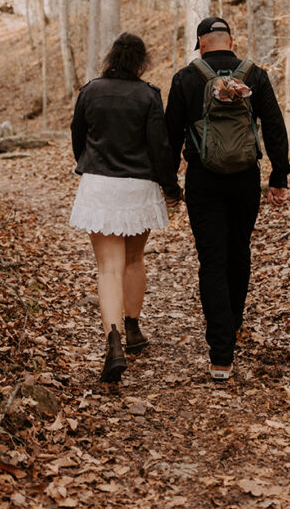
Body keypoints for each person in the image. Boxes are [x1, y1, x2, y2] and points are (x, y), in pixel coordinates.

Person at [165, 16, 290, 379]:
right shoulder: (255, 75)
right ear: (230, 40)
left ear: (201, 43)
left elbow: (170, 135)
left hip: (204, 179)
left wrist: (170, 185)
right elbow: (274, 126)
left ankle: (221, 355)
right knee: (239, 251)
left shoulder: (186, 79)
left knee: (212, 260)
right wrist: (278, 176)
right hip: (245, 179)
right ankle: (233, 322)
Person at [70, 33, 183, 382]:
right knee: (134, 260)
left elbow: (78, 135)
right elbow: (159, 145)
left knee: (108, 268)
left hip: (100, 184)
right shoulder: (148, 95)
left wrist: (90, 163)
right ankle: (133, 329)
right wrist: (171, 187)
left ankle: (113, 342)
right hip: (138, 186)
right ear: (141, 61)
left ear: (110, 56)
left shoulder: (90, 90)